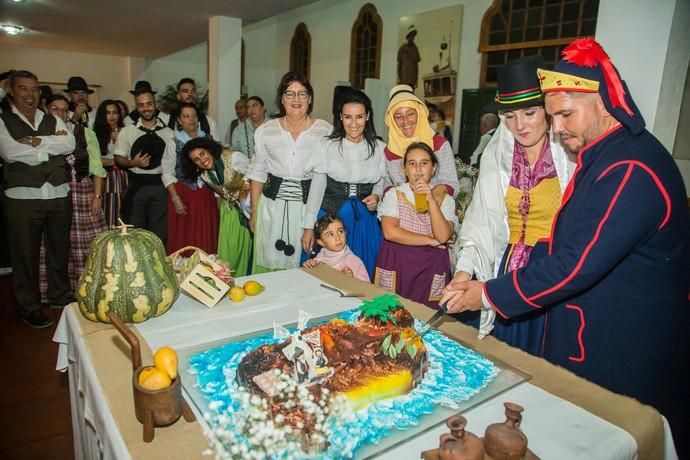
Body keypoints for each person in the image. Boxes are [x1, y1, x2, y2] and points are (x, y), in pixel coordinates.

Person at [442, 38, 690, 444]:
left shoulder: (629, 168)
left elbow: (577, 262)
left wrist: (487, 294)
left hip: (624, 344)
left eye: (564, 115)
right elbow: (550, 239)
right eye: (553, 116)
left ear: (603, 100)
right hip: (573, 314)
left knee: (611, 439)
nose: (556, 128)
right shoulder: (607, 155)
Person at [452, 55, 574, 354]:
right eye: (509, 116)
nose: (519, 125)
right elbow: (480, 222)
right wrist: (463, 273)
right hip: (506, 273)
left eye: (530, 113)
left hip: (551, 273)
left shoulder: (571, 159)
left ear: (547, 110)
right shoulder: (498, 158)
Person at [0, 70, 75, 328]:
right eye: (23, 88)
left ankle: (59, 297)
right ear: (11, 90)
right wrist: (50, 147)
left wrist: (34, 142)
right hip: (22, 197)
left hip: (58, 194)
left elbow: (69, 145)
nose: (29, 94)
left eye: (34, 89)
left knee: (59, 250)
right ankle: (29, 306)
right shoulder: (3, 120)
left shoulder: (53, 119)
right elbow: (9, 152)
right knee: (25, 254)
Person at [247, 71, 332, 273]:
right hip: (271, 207)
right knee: (267, 263)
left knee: (303, 267)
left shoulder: (326, 131)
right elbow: (258, 173)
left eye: (302, 94)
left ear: (310, 99)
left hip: (307, 208)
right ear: (281, 99)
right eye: (290, 93)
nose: (296, 99)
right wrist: (254, 211)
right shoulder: (266, 131)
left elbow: (325, 178)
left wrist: (310, 223)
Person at [303, 89, 385, 277]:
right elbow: (316, 188)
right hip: (332, 219)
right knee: (325, 277)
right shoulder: (326, 146)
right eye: (348, 117)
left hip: (364, 221)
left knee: (362, 272)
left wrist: (377, 195)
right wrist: (308, 227)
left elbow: (382, 180)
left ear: (368, 117)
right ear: (340, 117)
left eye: (359, 117)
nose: (354, 124)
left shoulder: (380, 148)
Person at [39, 94, 107, 301]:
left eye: (63, 109)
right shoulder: (42, 136)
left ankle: (88, 289)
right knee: (57, 242)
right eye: (54, 109)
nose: (59, 113)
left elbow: (97, 168)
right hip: (54, 193)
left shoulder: (84, 133)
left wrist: (97, 196)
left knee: (86, 243)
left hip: (82, 191)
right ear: (46, 110)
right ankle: (58, 291)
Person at [375, 142, 457, 309]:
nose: (418, 169)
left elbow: (442, 236)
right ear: (404, 169)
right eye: (412, 164)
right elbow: (390, 232)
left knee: (426, 315)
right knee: (390, 312)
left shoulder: (445, 200)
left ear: (433, 168)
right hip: (398, 262)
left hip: (431, 266)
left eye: (424, 163)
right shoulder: (395, 194)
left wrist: (431, 200)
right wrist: (429, 240)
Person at [180, 137, 252, 276]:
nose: (202, 160)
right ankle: (230, 278)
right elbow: (218, 194)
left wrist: (248, 206)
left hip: (249, 204)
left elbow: (255, 178)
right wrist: (223, 217)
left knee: (248, 248)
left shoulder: (233, 158)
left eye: (202, 153)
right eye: (196, 159)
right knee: (230, 249)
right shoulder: (204, 174)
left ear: (209, 149)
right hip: (230, 210)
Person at [114, 87, 175, 243]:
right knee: (134, 232)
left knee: (160, 233)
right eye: (141, 105)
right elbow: (118, 158)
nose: (146, 108)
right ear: (137, 107)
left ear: (156, 105)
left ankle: (159, 265)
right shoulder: (127, 131)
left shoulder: (169, 133)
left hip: (162, 187)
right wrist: (133, 162)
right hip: (137, 186)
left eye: (149, 104)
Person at [383, 84, 459, 206]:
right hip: (400, 211)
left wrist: (439, 190)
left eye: (410, 114)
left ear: (419, 113)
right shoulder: (389, 150)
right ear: (392, 120)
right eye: (398, 116)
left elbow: (452, 185)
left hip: (434, 209)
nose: (405, 121)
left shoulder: (439, 144)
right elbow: (387, 182)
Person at [161, 102, 219, 254]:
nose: (191, 119)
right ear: (179, 120)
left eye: (193, 116)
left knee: (207, 234)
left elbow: (218, 167)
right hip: (183, 195)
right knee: (184, 237)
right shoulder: (173, 143)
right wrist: (175, 199)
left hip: (207, 194)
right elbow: (167, 173)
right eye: (186, 116)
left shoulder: (208, 139)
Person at [303, 214, 370, 283]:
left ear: (345, 233)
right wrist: (309, 265)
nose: (337, 238)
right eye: (330, 235)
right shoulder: (319, 258)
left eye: (340, 231)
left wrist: (351, 280)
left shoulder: (354, 262)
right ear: (321, 242)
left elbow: (367, 288)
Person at [94, 99, 127, 227]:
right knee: (110, 213)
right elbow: (96, 160)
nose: (112, 116)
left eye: (115, 112)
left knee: (125, 213)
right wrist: (117, 161)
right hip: (106, 178)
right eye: (108, 113)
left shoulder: (126, 131)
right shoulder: (96, 134)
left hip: (126, 177)